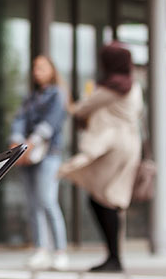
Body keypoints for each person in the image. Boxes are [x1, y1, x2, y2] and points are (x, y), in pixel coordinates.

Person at [58, 43, 143, 273]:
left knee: (103, 199)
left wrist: (64, 91)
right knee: (108, 199)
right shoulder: (132, 86)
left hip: (111, 147)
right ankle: (114, 257)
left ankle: (114, 258)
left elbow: (80, 109)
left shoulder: (112, 88)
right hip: (128, 146)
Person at [8, 56, 70, 271]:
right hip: (26, 156)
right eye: (34, 67)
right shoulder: (30, 97)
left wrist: (29, 144)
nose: (37, 71)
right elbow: (19, 120)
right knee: (32, 204)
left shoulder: (57, 95)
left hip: (48, 154)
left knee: (47, 201)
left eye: (42, 67)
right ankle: (40, 249)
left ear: (52, 70)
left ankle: (60, 251)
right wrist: (16, 143)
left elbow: (50, 124)